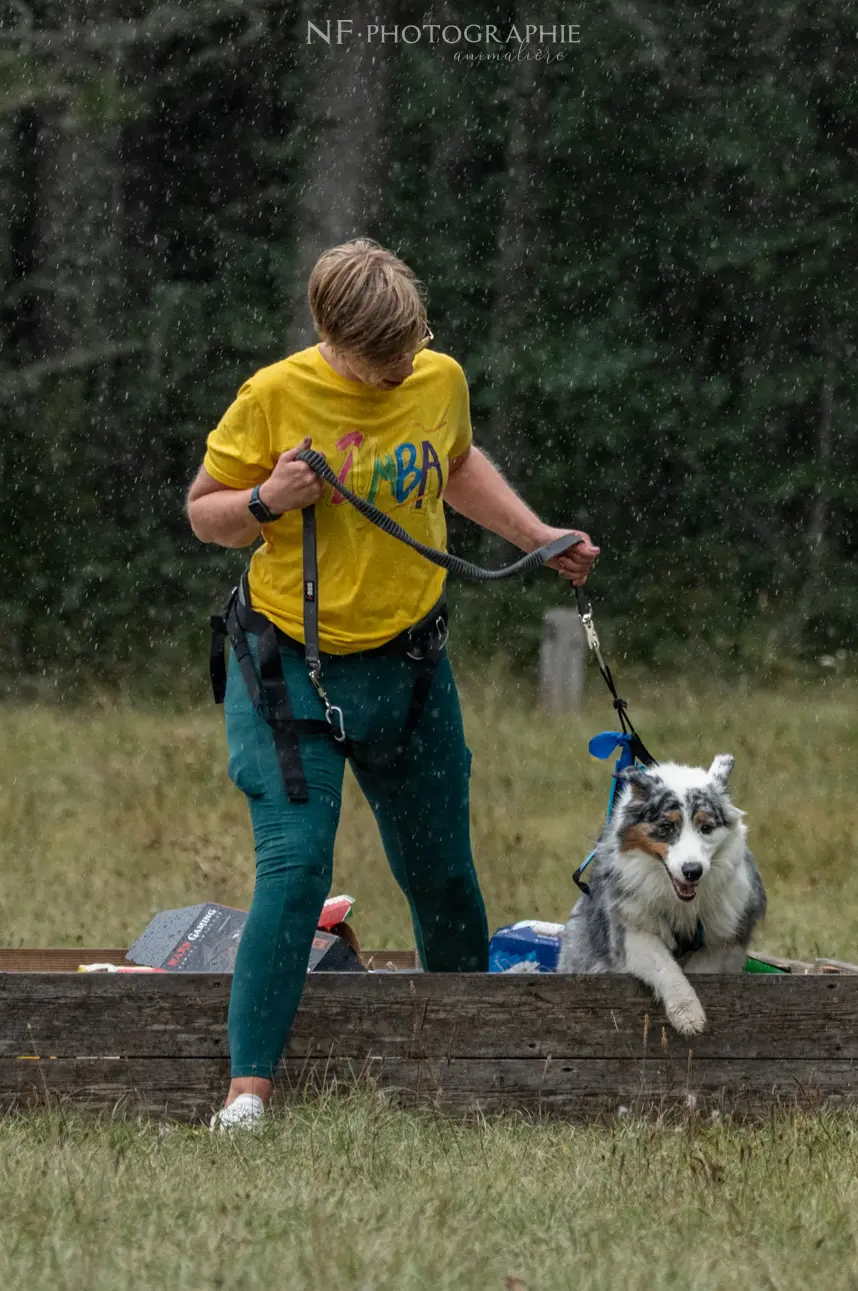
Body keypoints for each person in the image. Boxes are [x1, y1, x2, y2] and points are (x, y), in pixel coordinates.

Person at [186, 239, 598, 1130]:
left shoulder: (436, 379)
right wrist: (268, 501)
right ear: (332, 335)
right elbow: (203, 512)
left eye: (411, 347)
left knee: (444, 875)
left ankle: (469, 1074)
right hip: (290, 669)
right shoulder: (274, 395)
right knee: (296, 869)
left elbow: (452, 465)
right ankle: (247, 1096)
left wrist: (536, 534)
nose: (402, 368)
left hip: (409, 667)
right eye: (385, 358)